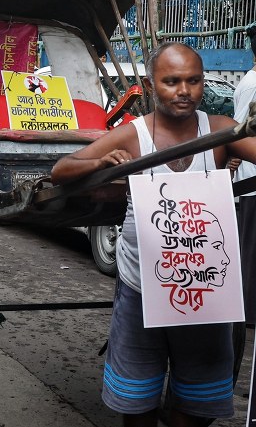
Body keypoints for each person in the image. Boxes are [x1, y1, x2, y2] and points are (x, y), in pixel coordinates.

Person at [51, 41, 256, 427]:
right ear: (151, 84)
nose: (184, 91)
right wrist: (101, 161)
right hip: (141, 289)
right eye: (172, 81)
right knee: (137, 406)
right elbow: (62, 169)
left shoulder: (220, 131)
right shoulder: (135, 135)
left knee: (198, 406)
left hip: (204, 292)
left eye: (193, 81)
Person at [233, 23, 256, 326]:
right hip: (251, 181)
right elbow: (238, 131)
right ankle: (247, 314)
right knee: (249, 250)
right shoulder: (252, 84)